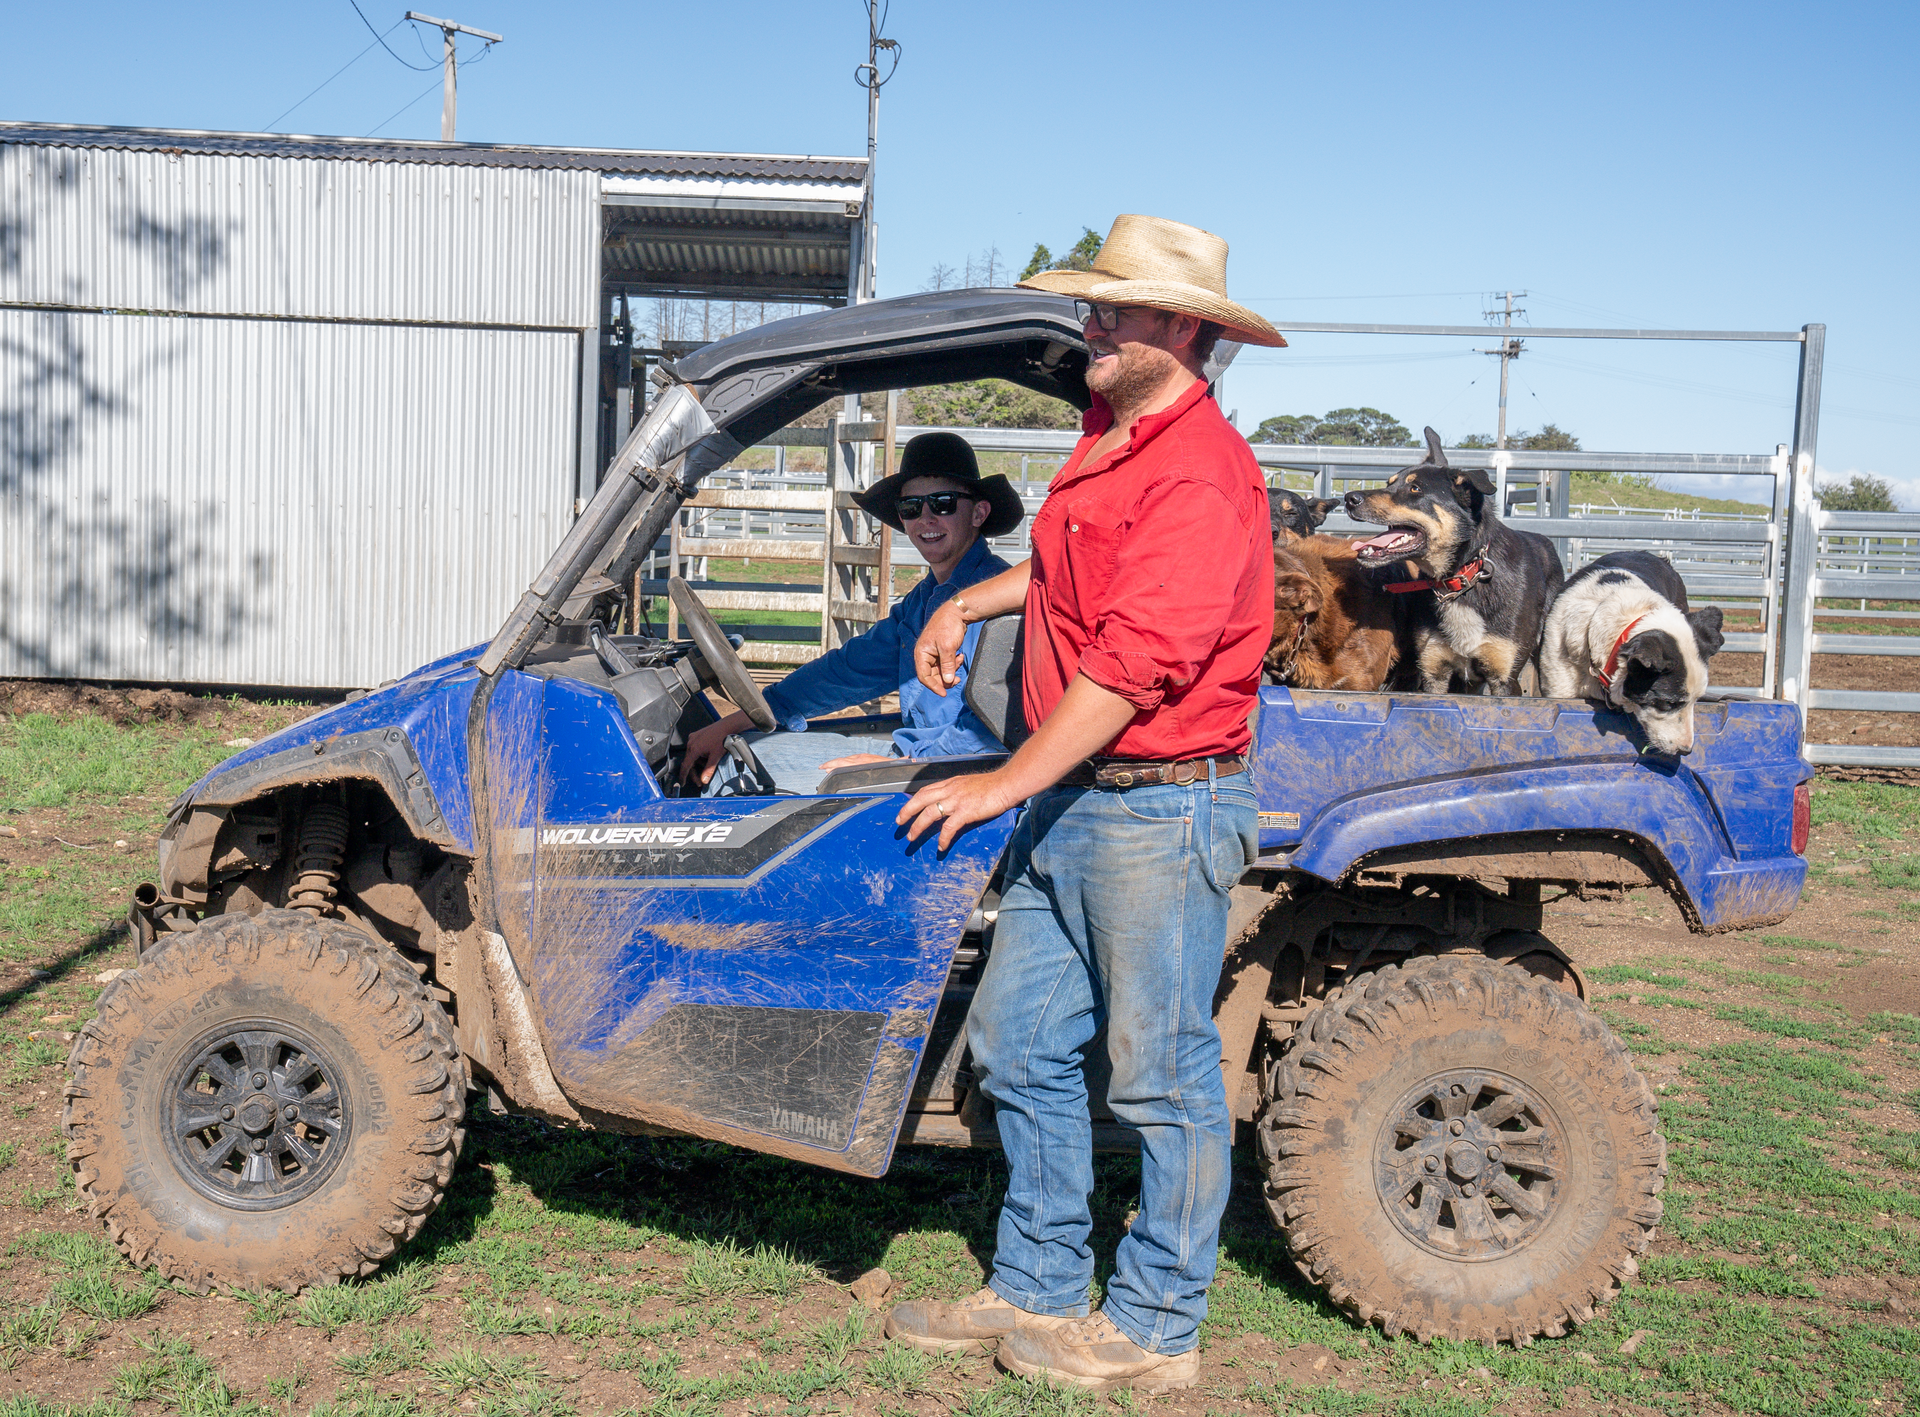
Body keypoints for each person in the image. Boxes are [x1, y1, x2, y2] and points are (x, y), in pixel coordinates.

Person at [882, 215, 1284, 1391]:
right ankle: (1041, 1280)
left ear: (1184, 329)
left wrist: (1003, 781)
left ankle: (1158, 1324)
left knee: (1160, 1072)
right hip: (1080, 801)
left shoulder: (1201, 472)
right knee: (1015, 1045)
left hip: (1155, 806)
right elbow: (1067, 571)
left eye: (1114, 310)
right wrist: (969, 601)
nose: (1091, 326)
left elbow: (1134, 664)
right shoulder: (1111, 442)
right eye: (1093, 306)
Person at [681, 431, 1026, 795]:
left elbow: (998, 727)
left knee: (733, 780)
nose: (925, 518)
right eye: (911, 507)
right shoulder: (923, 602)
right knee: (742, 753)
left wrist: (900, 768)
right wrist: (738, 721)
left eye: (942, 503)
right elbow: (846, 672)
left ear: (978, 513)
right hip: (915, 757)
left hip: (951, 775)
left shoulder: (999, 605)